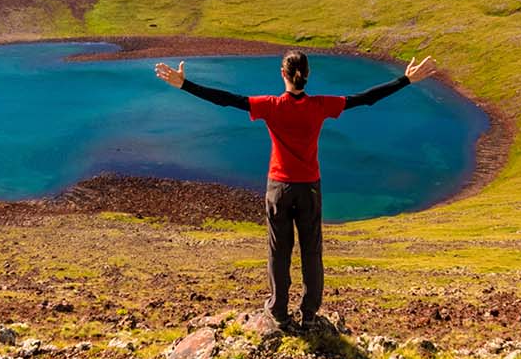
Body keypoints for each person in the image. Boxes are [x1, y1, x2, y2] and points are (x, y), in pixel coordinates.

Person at [154, 49, 438, 331]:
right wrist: (405, 80)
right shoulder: (321, 105)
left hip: (278, 188)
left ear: (283, 74)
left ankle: (279, 312)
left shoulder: (270, 105)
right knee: (311, 251)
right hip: (309, 189)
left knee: (279, 252)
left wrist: (184, 85)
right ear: (307, 75)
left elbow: (228, 100)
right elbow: (365, 99)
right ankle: (309, 313)